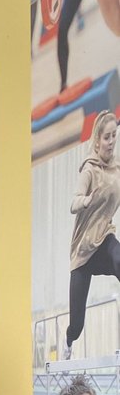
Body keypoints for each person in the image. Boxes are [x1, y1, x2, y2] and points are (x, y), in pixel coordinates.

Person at [61, 111, 120, 359]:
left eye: (114, 135)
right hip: (83, 252)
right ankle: (68, 342)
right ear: (97, 141)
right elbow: (73, 204)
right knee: (78, 324)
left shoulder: (117, 170)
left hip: (104, 239)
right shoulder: (90, 169)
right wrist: (86, 200)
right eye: (107, 137)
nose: (111, 141)